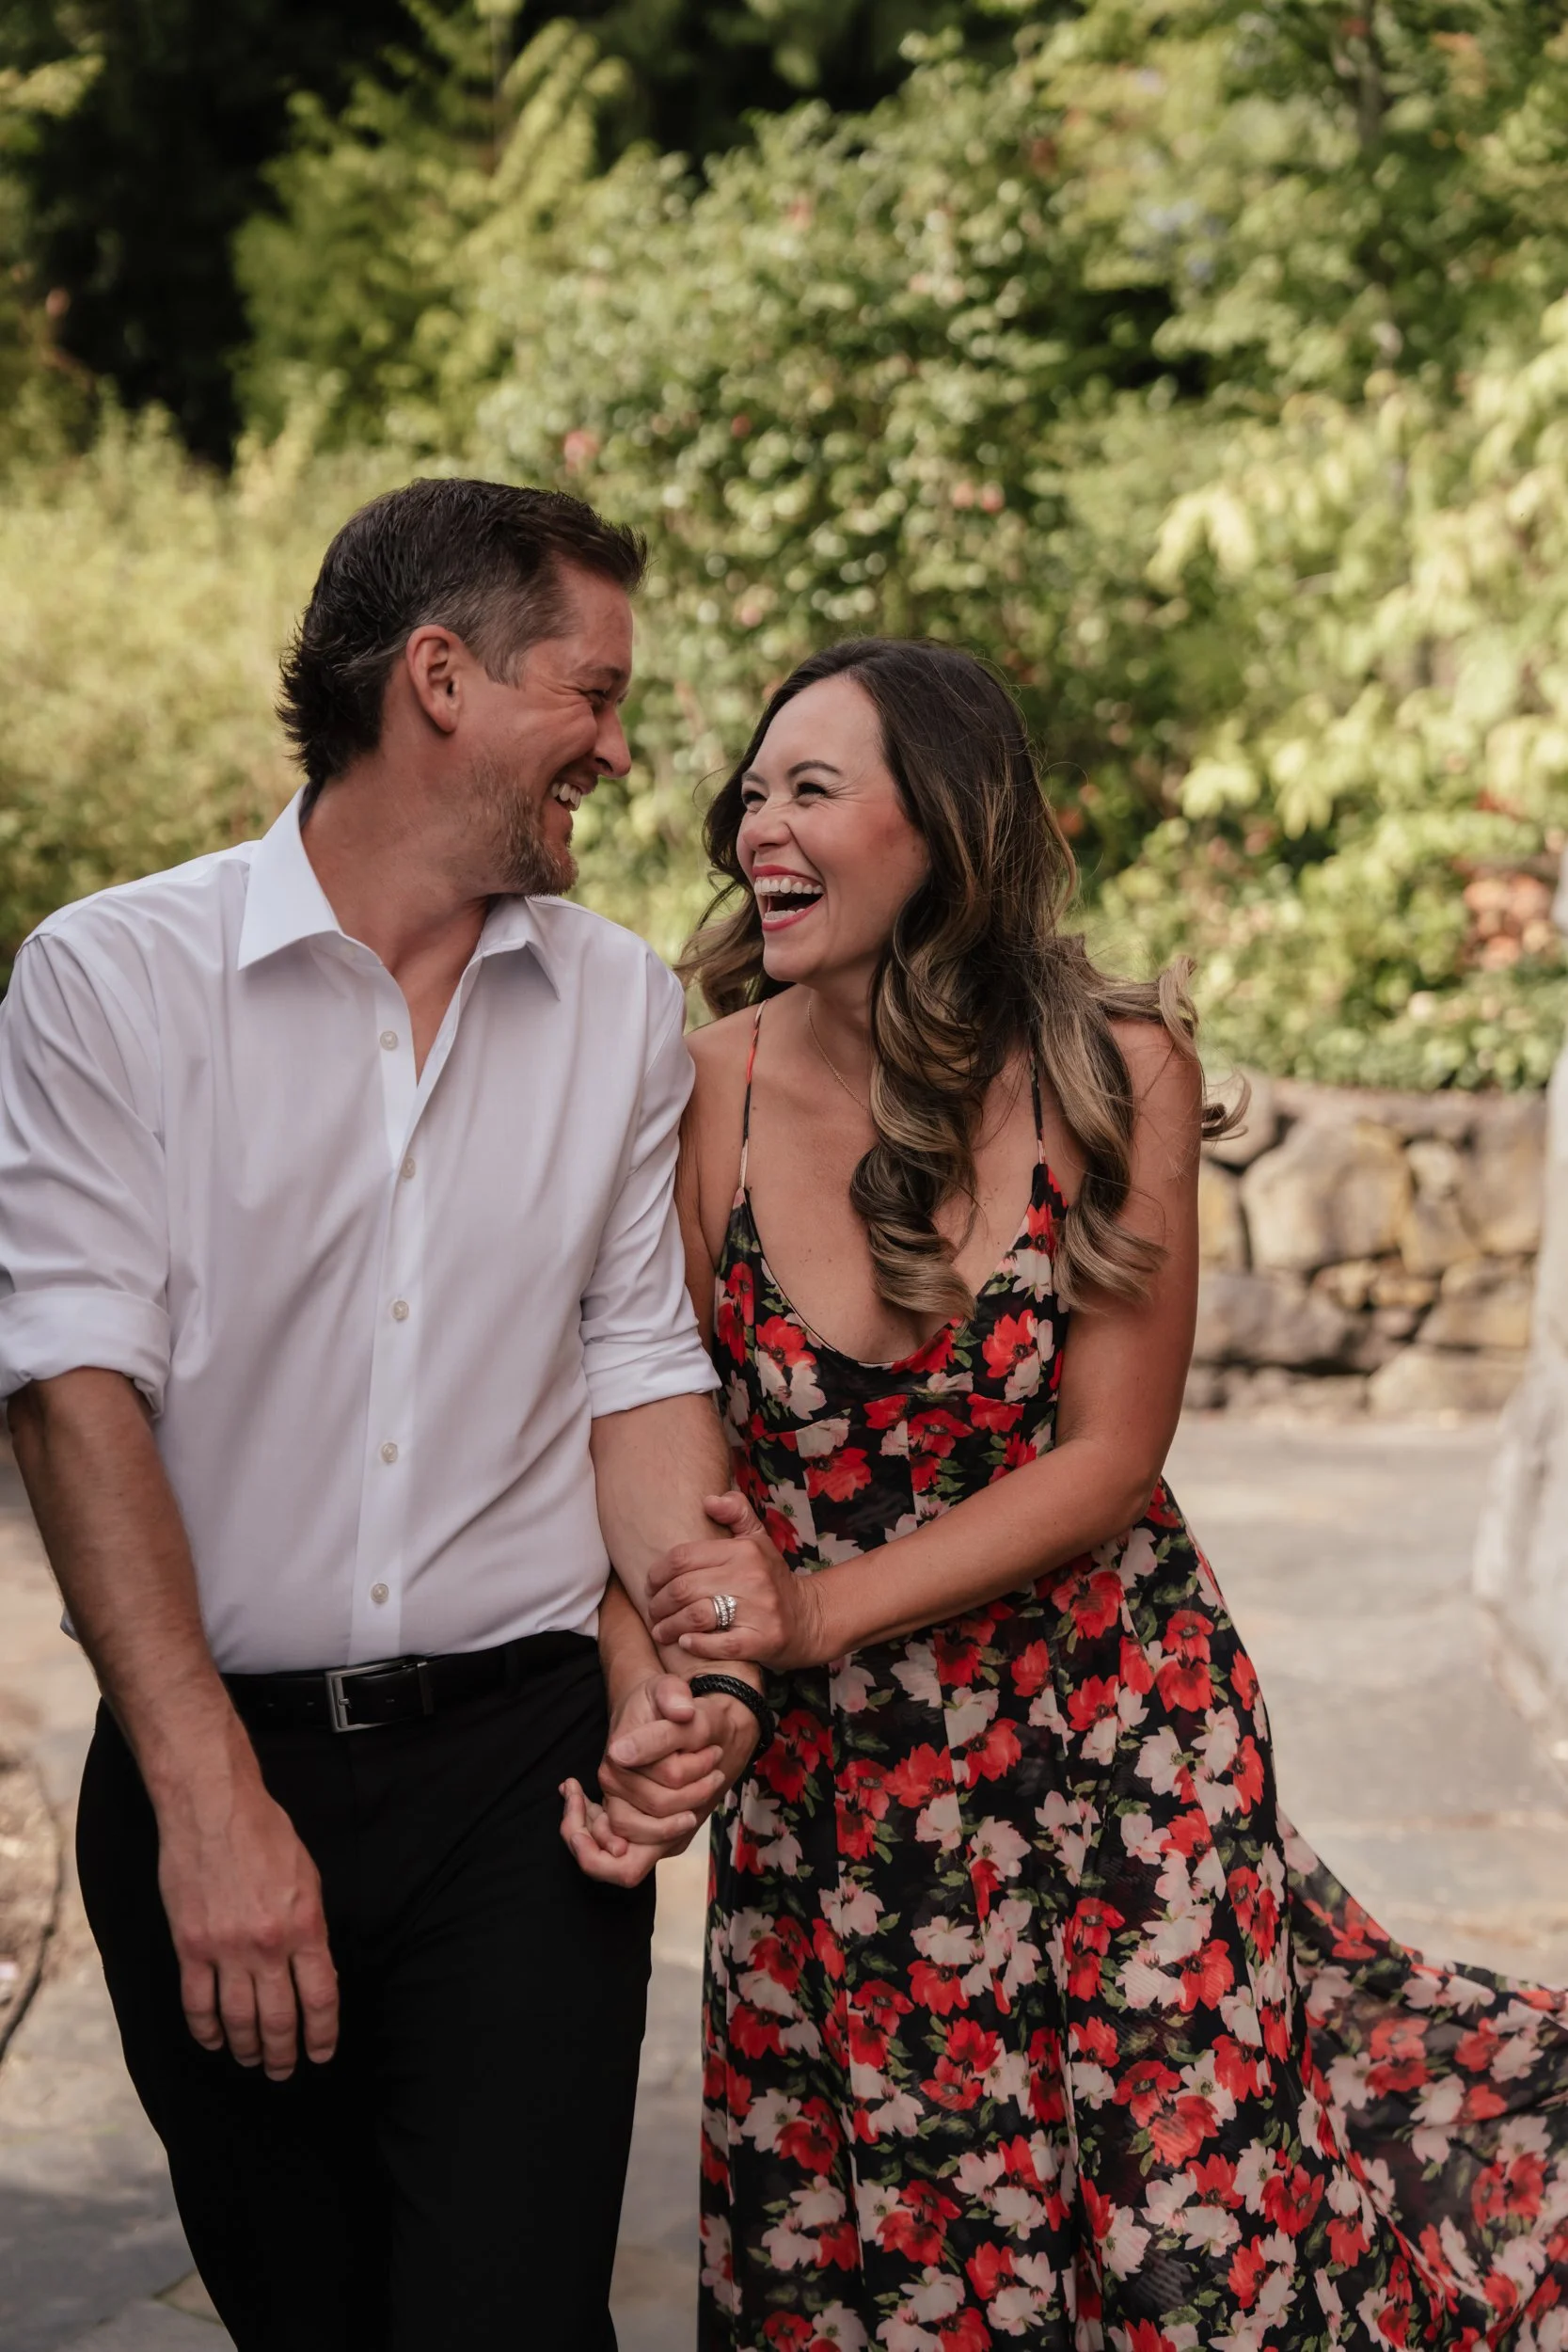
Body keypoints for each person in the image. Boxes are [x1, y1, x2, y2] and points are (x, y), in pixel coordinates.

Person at [571, 639, 1568, 2348]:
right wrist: (671, 1668)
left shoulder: (1118, 1065)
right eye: (751, 792)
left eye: (812, 788)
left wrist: (807, 1611)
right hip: (845, 1808)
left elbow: (1110, 1456)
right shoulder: (703, 1088)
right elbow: (661, 1430)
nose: (760, 827)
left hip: (1120, 1749)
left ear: (941, 832)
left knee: (1197, 2247)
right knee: (904, 2268)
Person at [0, 477, 767, 2352]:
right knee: (310, 2314)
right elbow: (71, 1388)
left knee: (507, 2314)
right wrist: (205, 1796)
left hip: (525, 1777)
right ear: (438, 675)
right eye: (587, 689)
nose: (617, 738)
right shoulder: (112, 980)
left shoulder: (613, 1003)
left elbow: (637, 1355)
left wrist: (688, 1651)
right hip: (214, 1757)